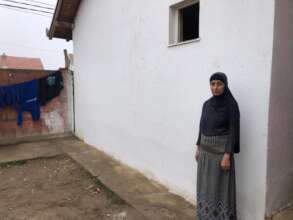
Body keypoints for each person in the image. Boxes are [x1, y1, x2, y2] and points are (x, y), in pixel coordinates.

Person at [195, 72, 240, 220]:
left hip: (221, 156)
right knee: (205, 188)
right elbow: (201, 126)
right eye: (212, 84)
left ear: (225, 85)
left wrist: (227, 155)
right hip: (205, 155)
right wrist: (198, 147)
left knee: (220, 189)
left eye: (219, 84)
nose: (215, 87)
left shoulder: (231, 105)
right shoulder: (206, 104)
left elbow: (233, 130)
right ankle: (205, 216)